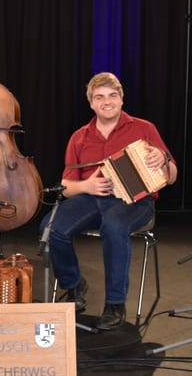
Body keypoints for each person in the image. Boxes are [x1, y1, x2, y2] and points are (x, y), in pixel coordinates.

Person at [43, 72, 178, 330]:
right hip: (92, 198)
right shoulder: (79, 137)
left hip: (135, 202)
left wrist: (163, 158)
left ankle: (115, 304)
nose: (107, 101)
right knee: (50, 229)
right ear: (91, 103)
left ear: (122, 99)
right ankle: (73, 285)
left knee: (114, 226)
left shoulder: (144, 128)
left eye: (112, 95)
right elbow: (67, 186)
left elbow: (172, 178)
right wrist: (87, 185)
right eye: (99, 97)